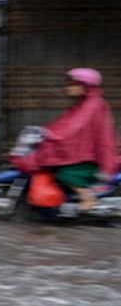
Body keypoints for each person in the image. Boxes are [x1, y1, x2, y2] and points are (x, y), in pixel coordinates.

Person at [34, 67, 118, 211]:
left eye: (73, 84)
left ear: (86, 86)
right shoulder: (84, 104)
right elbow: (65, 124)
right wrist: (45, 131)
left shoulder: (93, 105)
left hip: (90, 158)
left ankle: (88, 197)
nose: (69, 88)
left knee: (64, 172)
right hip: (84, 155)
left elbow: (76, 128)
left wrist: (54, 136)